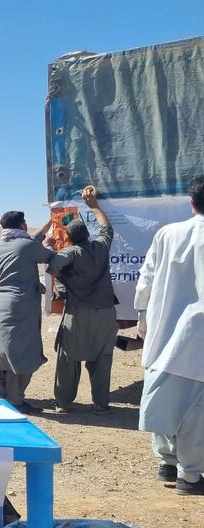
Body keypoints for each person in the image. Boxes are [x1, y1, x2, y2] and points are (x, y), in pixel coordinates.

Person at [134, 176, 204, 496]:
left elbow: (145, 279)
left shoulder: (166, 233)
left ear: (191, 202)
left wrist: (143, 318)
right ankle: (189, 477)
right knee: (195, 409)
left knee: (164, 397)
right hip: (196, 338)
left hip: (164, 330)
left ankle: (167, 461)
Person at [0, 211, 55, 414]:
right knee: (21, 354)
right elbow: (49, 256)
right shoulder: (27, 246)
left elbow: (26, 248)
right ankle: (16, 400)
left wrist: (48, 224)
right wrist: (51, 244)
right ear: (22, 225)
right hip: (21, 309)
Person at [46, 186, 117, 414]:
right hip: (106, 313)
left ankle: (64, 403)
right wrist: (94, 206)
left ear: (69, 237)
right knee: (103, 358)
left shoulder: (70, 252)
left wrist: (65, 281)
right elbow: (106, 227)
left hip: (79, 314)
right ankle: (101, 403)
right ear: (87, 234)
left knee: (68, 358)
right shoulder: (100, 246)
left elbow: (53, 265)